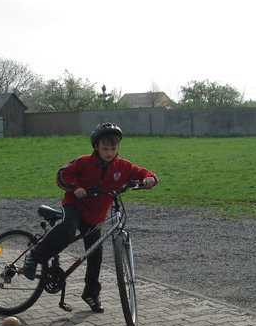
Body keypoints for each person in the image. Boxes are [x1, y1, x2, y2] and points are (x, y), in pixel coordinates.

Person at [23, 122, 158, 312]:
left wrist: (150, 178)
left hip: (95, 216)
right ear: (96, 147)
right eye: (105, 149)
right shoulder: (84, 162)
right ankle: (34, 256)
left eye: (113, 148)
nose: (109, 153)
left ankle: (91, 293)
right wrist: (75, 187)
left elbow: (141, 172)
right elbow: (63, 173)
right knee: (68, 229)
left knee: (96, 254)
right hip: (75, 205)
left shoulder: (122, 166)